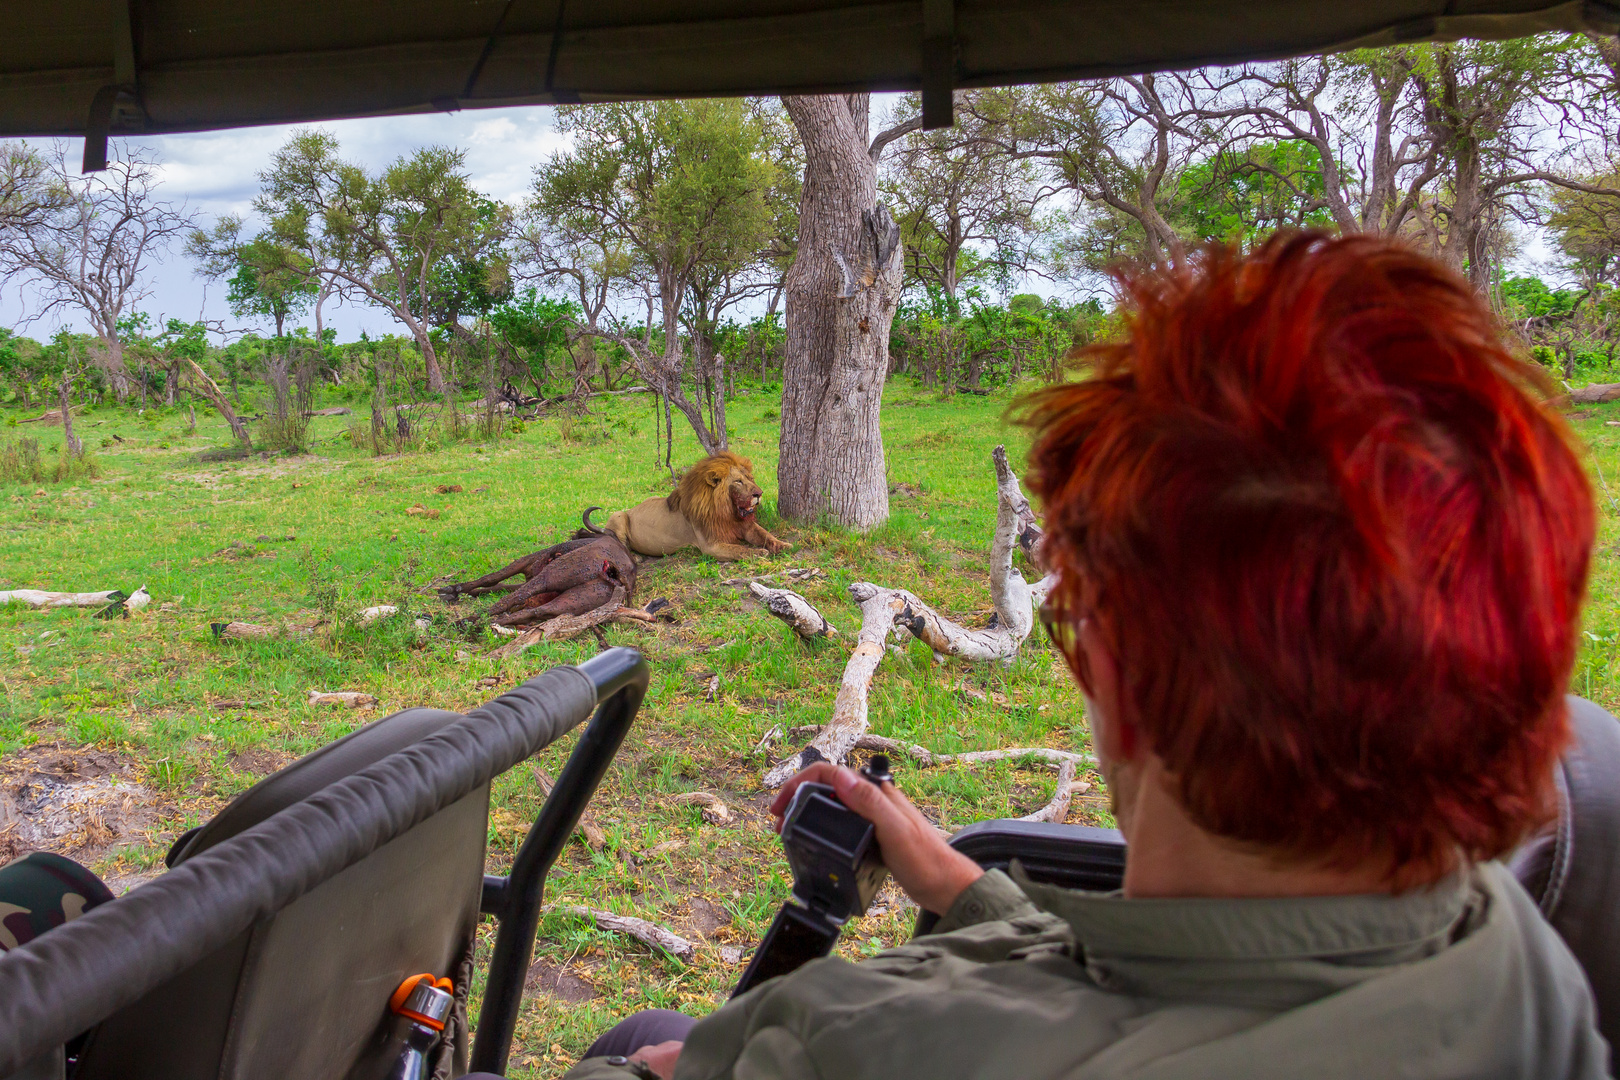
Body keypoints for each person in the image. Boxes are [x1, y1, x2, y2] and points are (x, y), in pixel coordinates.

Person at [551, 234, 1609, 1080]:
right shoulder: (1524, 959)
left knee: (632, 1035)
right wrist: (969, 889)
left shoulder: (860, 1044)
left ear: (1125, 691)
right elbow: (1193, 988)